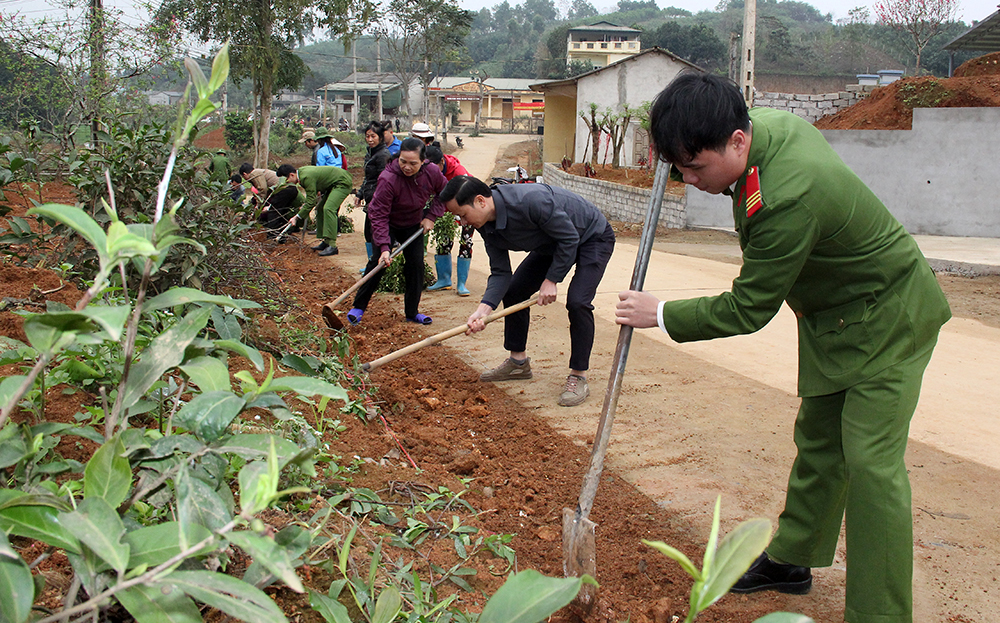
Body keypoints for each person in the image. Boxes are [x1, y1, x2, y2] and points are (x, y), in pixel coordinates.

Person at [614, 73, 951, 623]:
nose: (687, 178)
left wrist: (664, 313)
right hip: (838, 317)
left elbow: (749, 308)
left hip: (890, 318)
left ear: (737, 142)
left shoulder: (787, 197)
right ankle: (792, 560)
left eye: (695, 167)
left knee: (870, 465)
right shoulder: (762, 132)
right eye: (678, 165)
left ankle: (881, 614)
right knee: (820, 441)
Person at [440, 175, 616, 407]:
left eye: (463, 215)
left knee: (578, 302)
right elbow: (501, 272)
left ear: (481, 201)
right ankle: (518, 363)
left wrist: (552, 279)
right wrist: (484, 308)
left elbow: (570, 238)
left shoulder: (531, 201)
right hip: (552, 243)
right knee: (514, 292)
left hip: (591, 236)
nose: (463, 222)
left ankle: (578, 375)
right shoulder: (485, 225)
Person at [347, 137, 447, 326]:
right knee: (378, 263)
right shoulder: (388, 178)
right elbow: (379, 215)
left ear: (423, 161)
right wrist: (385, 246)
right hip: (388, 223)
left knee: (415, 266)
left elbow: (445, 192)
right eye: (403, 161)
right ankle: (358, 308)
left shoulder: (431, 172)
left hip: (412, 225)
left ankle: (412, 312)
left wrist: (431, 216)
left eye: (413, 163)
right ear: (398, 157)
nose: (407, 167)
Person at [425, 145, 474, 296]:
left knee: (466, 242)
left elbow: (468, 195)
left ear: (441, 162)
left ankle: (461, 284)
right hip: (446, 210)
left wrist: (460, 214)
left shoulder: (458, 172)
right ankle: (444, 279)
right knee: (443, 241)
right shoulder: (428, 172)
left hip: (468, 207)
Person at [283, 163, 353, 256]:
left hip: (342, 183)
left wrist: (297, 217)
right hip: (332, 185)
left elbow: (311, 202)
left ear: (292, 175)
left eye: (287, 180)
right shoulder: (301, 174)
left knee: (329, 209)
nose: (287, 182)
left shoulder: (305, 177)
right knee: (320, 209)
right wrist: (305, 206)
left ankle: (332, 246)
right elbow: (311, 198)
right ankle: (326, 241)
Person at [354, 121, 392, 270]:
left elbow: (384, 180)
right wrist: (360, 193)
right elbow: (368, 177)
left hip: (378, 200)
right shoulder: (370, 153)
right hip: (370, 197)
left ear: (380, 137)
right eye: (367, 136)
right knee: (368, 233)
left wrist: (377, 200)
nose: (369, 139)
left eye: (373, 136)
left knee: (376, 233)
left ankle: (376, 265)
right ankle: (372, 263)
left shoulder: (383, 155)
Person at [259, 168, 304, 241]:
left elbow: (275, 210)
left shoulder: (287, 188)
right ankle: (280, 234)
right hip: (295, 218)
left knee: (274, 212)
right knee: (280, 211)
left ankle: (273, 236)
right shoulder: (294, 187)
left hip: (295, 217)